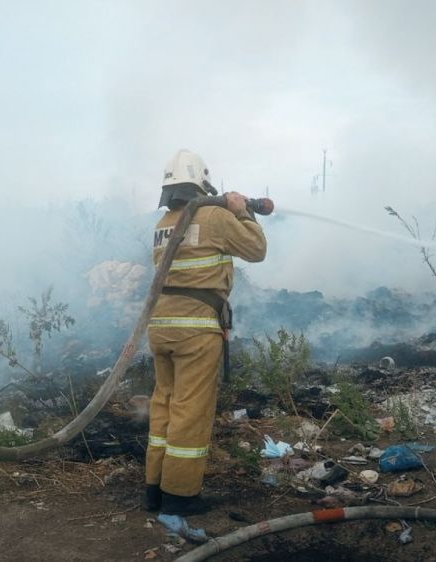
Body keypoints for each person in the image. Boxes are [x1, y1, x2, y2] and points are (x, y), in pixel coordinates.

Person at [144, 149, 267, 517]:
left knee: (164, 405)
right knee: (190, 411)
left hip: (161, 327)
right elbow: (257, 249)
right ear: (202, 182)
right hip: (196, 330)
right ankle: (180, 495)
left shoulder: (163, 223)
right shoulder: (213, 215)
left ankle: (153, 490)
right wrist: (241, 209)